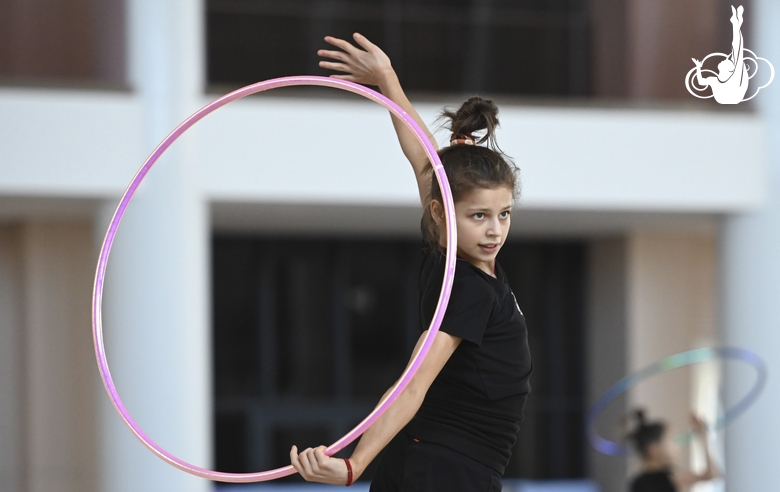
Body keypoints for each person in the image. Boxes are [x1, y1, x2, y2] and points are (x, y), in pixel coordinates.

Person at [288, 33, 533, 491]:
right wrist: (354, 464)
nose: (495, 230)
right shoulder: (465, 289)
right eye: (479, 216)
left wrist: (388, 82)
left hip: (437, 463)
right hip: (446, 471)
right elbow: (413, 384)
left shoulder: (457, 251)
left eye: (504, 215)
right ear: (444, 213)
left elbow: (423, 159)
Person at [627, 410, 719, 492]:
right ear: (654, 449)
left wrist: (702, 433)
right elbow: (711, 475)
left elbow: (711, 475)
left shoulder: (665, 477)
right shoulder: (659, 480)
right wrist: (702, 434)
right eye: (672, 440)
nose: (678, 445)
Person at [692, 5, 748, 104]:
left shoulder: (734, 79)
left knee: (736, 49)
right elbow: (701, 82)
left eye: (728, 61)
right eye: (728, 60)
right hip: (725, 102)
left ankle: (736, 23)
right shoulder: (714, 80)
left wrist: (736, 26)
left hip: (732, 100)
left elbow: (737, 49)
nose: (725, 59)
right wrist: (698, 67)